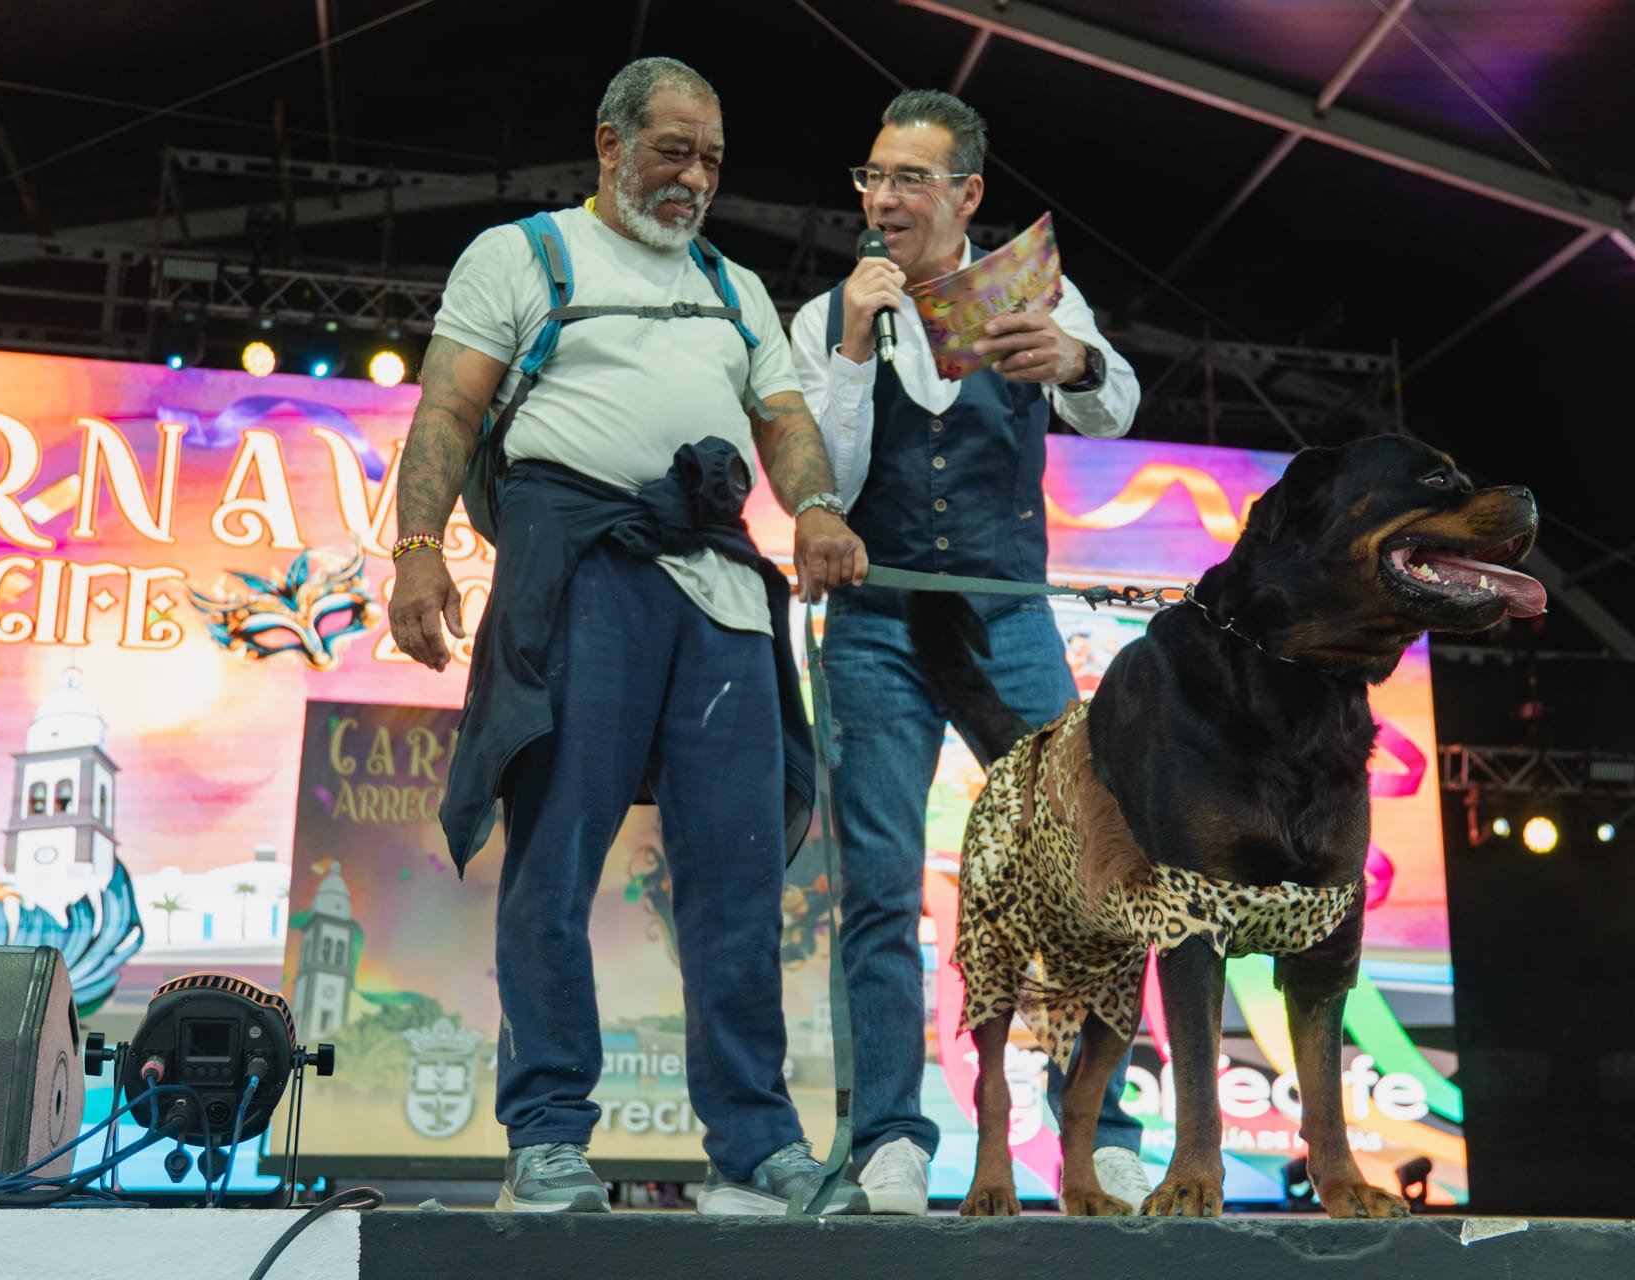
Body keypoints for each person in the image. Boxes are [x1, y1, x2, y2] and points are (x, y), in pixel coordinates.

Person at [387, 56, 868, 1216]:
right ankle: (548, 1134)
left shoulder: (735, 285)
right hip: (580, 572)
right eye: (673, 150)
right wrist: (415, 549)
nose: (695, 176)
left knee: (738, 877)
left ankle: (756, 1145)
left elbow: (786, 418)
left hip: (716, 586)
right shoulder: (525, 254)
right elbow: (450, 406)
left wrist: (811, 505)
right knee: (553, 857)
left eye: (711, 158)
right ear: (608, 144)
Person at [789, 88, 1147, 1215]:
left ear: (967, 195)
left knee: (1093, 871)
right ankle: (892, 1132)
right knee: (879, 890)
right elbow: (828, 483)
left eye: (909, 179)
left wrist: (1075, 361)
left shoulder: (1030, 286)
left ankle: (1102, 1125)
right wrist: (850, 346)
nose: (883, 199)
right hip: (878, 627)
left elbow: (1119, 404)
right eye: (872, 176)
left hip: (1006, 616)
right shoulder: (827, 315)